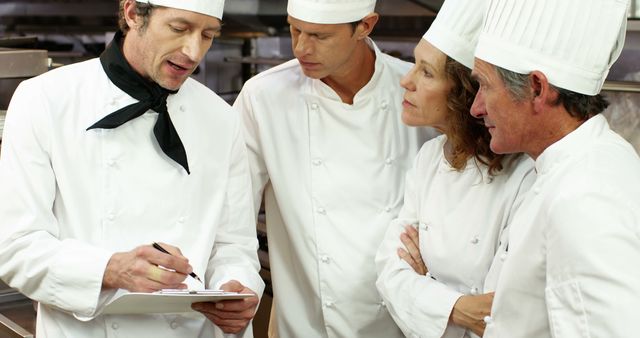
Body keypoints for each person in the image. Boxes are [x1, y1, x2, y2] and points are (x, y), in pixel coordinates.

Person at [0, 0, 264, 337]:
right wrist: (109, 269)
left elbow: (233, 245)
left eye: (208, 35)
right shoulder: (45, 99)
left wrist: (237, 287)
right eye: (179, 29)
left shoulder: (221, 118)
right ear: (133, 13)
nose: (193, 51)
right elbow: (16, 247)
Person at [233, 0, 433, 336]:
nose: (300, 48)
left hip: (402, 323)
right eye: (294, 29)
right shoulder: (263, 97)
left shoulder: (415, 92)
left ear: (365, 26)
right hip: (305, 325)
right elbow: (232, 213)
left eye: (319, 36)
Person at [470, 0, 640, 337]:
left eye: (485, 85)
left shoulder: (585, 196)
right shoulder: (577, 165)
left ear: (537, 89)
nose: (476, 108)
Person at [374, 0, 535, 337]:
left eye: (426, 72)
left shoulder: (524, 173)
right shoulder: (430, 157)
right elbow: (389, 271)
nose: (406, 80)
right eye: (413, 65)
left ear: (465, 94)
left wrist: (423, 287)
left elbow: (499, 312)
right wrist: (457, 307)